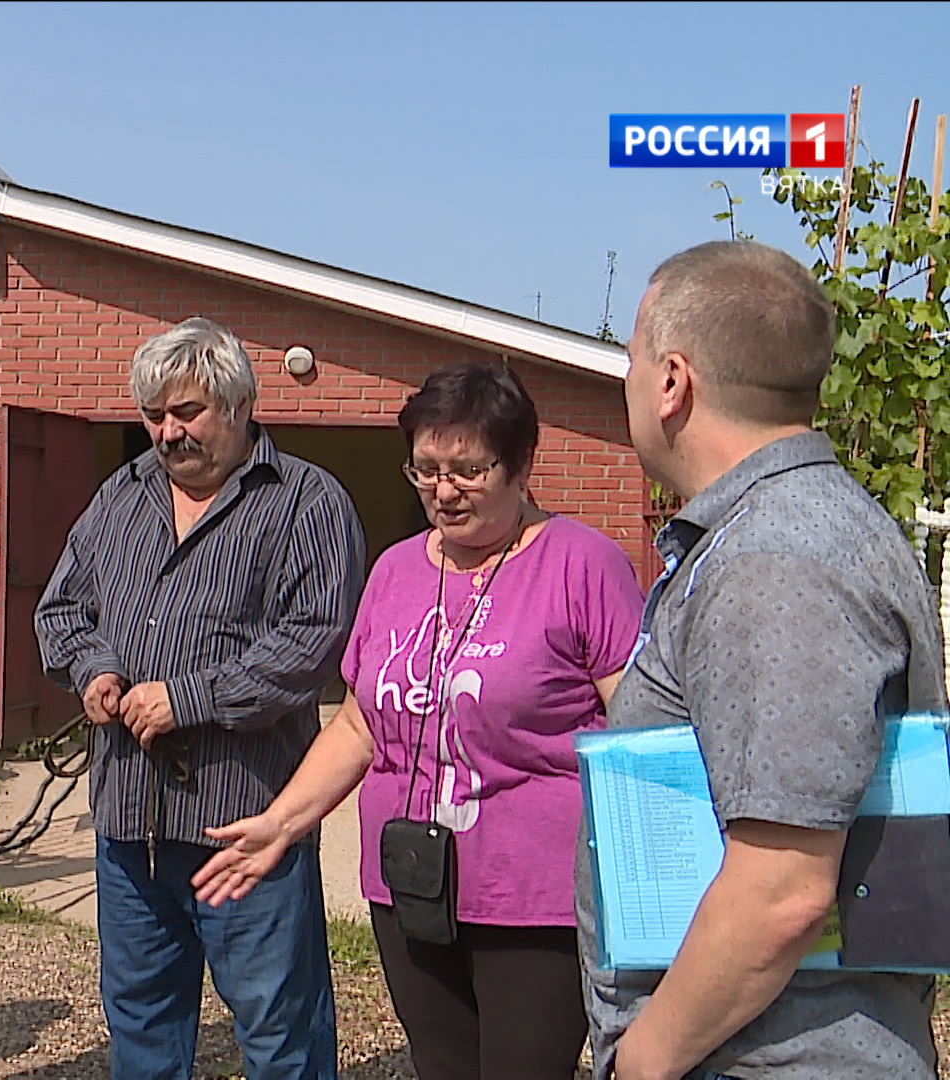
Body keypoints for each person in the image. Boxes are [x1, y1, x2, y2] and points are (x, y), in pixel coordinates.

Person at [192, 359, 646, 1079]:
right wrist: (280, 824)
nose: (443, 490)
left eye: (467, 470)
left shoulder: (583, 566)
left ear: (521, 463)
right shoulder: (396, 571)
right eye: (426, 470)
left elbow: (639, 729)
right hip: (410, 884)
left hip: (536, 897)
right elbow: (360, 725)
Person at [583, 239, 947, 1079]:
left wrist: (641, 1063)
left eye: (631, 360)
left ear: (672, 382)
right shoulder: (773, 534)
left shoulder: (777, 559)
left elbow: (780, 893)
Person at [33, 317, 365, 1080]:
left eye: (187, 412)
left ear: (241, 404)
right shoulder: (122, 495)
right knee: (141, 1027)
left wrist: (189, 698)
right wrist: (93, 670)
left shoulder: (306, 502)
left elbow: (312, 642)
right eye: (154, 416)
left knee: (280, 1033)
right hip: (130, 824)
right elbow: (61, 610)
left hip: (244, 826)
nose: (168, 432)